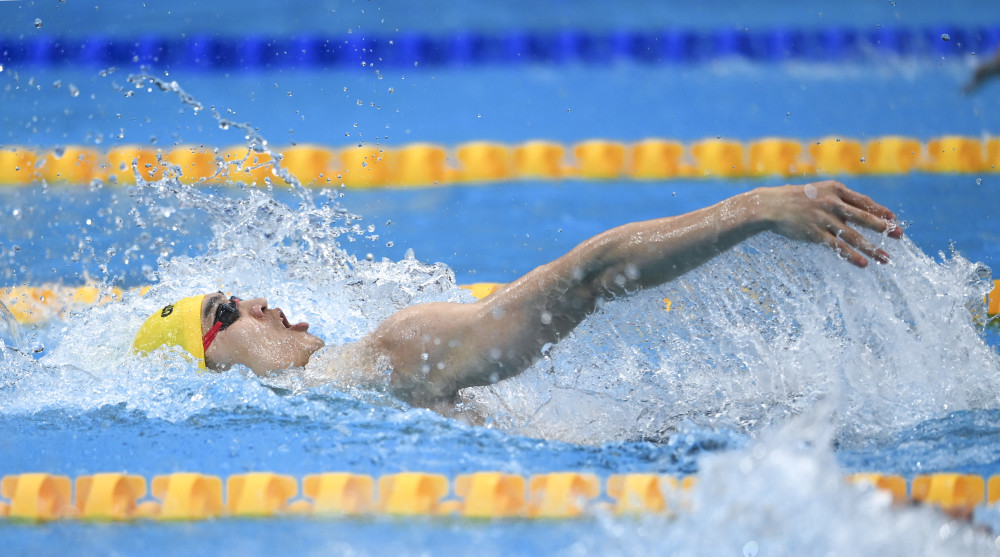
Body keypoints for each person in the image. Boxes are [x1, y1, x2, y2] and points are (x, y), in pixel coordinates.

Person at [133, 180, 902, 415]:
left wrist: (756, 211)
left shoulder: (371, 365)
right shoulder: (378, 362)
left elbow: (585, 280)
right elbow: (590, 278)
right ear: (212, 365)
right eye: (226, 312)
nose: (263, 304)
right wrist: (756, 209)